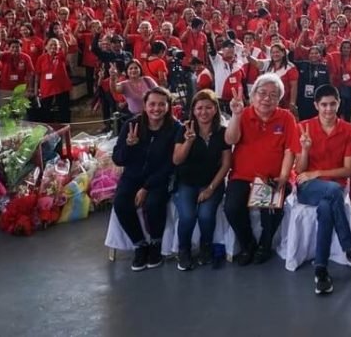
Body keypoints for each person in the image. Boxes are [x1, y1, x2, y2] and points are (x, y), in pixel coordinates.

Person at [294, 85, 351, 294]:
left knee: (327, 207)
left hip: (332, 188)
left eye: (332, 104)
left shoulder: (348, 130)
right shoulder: (303, 127)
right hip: (308, 188)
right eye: (323, 104)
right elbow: (300, 170)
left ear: (339, 103)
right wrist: (305, 150)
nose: (328, 109)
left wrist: (317, 173)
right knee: (332, 191)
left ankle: (321, 270)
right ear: (316, 105)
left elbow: (348, 170)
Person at [224, 73, 298, 266]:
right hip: (242, 175)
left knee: (270, 209)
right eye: (262, 93)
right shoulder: (243, 113)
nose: (267, 98)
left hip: (272, 176)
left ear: (279, 99)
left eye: (273, 95)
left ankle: (265, 245)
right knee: (232, 208)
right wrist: (236, 115)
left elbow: (290, 150)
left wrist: (283, 177)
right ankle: (248, 244)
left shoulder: (286, 117)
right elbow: (230, 140)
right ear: (253, 94)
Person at [111, 87, 180, 271]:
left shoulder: (175, 128)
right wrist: (128, 145)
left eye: (161, 104)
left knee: (154, 203)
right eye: (152, 104)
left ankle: (156, 243)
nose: (156, 109)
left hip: (159, 178)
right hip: (132, 176)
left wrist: (147, 187)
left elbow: (171, 164)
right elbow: (118, 158)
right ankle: (140, 244)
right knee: (121, 203)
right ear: (145, 105)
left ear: (168, 106)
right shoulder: (131, 125)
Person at [172, 89, 231, 271]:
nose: (203, 112)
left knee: (206, 215)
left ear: (215, 109)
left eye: (208, 107)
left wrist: (211, 188)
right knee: (188, 216)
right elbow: (177, 160)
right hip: (187, 182)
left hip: (212, 182)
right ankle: (184, 250)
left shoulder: (223, 132)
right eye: (199, 108)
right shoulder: (185, 129)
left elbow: (226, 164)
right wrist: (189, 142)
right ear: (193, 110)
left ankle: (206, 247)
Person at [32, 38, 73, 123]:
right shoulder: (41, 58)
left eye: (55, 45)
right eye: (51, 44)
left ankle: (65, 127)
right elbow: (37, 75)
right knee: (46, 109)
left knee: (64, 109)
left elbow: (66, 48)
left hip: (62, 87)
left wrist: (63, 38)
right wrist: (36, 90)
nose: (53, 46)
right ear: (46, 47)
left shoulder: (61, 56)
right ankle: (48, 128)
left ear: (58, 47)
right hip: (46, 88)